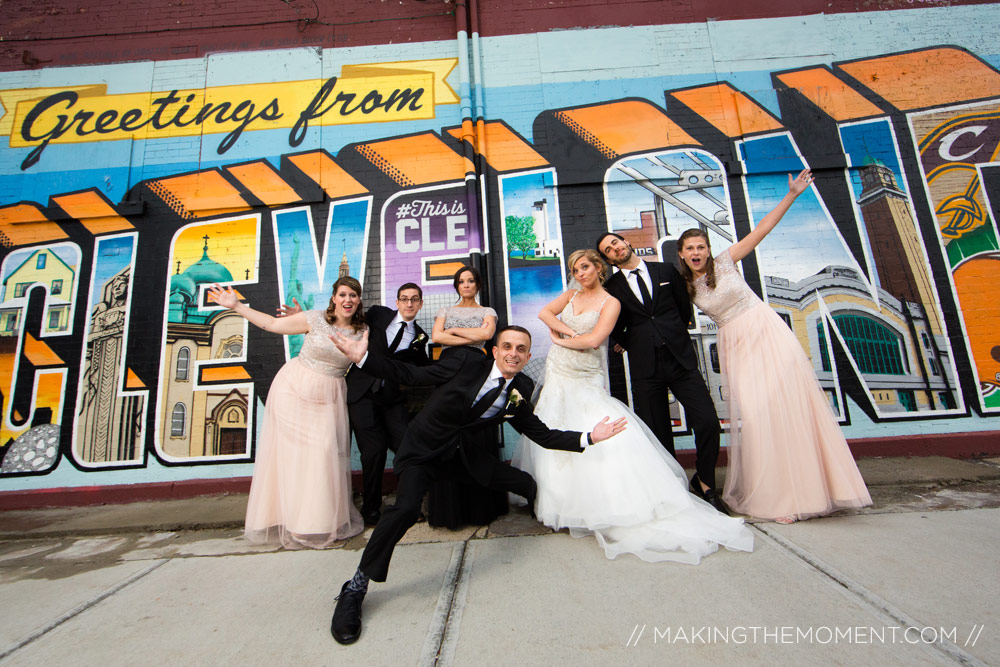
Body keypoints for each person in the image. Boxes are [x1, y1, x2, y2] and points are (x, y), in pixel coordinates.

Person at [327, 325, 627, 645]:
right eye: (507, 346)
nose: (513, 353)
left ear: (526, 357)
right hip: (424, 453)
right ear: (495, 351)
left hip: (464, 458)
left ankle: (536, 500)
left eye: (521, 349)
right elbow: (412, 374)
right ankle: (355, 588)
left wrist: (589, 437)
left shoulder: (518, 391)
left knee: (522, 481)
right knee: (405, 509)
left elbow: (542, 434)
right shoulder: (467, 363)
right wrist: (366, 359)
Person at [514, 249, 754, 563]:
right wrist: (570, 331)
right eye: (575, 268)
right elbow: (545, 313)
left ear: (598, 268)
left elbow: (595, 340)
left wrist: (562, 338)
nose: (580, 273)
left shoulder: (610, 301)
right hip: (557, 371)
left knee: (593, 423)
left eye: (585, 267)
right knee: (554, 423)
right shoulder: (570, 294)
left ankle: (608, 502)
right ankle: (559, 500)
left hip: (584, 370)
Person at [676, 169, 872, 523]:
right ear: (681, 253)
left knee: (786, 407)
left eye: (701, 246)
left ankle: (807, 494)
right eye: (690, 248)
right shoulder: (685, 287)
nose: (697, 252)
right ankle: (777, 492)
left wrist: (793, 194)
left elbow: (761, 230)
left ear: (708, 249)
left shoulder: (725, 262)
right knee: (756, 413)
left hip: (765, 331)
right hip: (735, 345)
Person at [207, 276, 365, 548]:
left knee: (324, 454)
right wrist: (236, 306)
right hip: (292, 390)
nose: (347, 300)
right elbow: (272, 324)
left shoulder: (362, 331)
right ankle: (292, 521)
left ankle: (316, 523)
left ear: (359, 300)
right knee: (295, 457)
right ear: (334, 298)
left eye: (353, 295)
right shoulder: (314, 319)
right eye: (342, 295)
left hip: (329, 397)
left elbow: (365, 359)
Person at [597, 232, 726, 513]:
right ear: (608, 259)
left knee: (707, 422)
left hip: (680, 360)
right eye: (608, 249)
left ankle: (704, 482)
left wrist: (670, 333)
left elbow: (683, 309)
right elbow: (616, 326)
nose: (615, 248)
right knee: (658, 432)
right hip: (645, 367)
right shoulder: (611, 288)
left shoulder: (665, 270)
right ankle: (673, 488)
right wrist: (632, 342)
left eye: (616, 242)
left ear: (626, 244)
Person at [281, 284, 431, 526]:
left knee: (407, 446)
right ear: (397, 302)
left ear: (420, 304)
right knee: (373, 452)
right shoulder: (378, 315)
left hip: (391, 399)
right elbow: (344, 316)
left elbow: (421, 370)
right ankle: (371, 508)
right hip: (361, 394)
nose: (409, 304)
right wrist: (304, 316)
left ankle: (407, 506)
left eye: (414, 300)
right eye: (404, 299)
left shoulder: (420, 336)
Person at [427, 265, 506, 528]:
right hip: (449, 371)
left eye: (471, 281)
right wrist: (462, 336)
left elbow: (486, 335)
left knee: (475, 428)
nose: (467, 285)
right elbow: (436, 337)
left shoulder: (488, 312)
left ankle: (479, 508)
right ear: (457, 286)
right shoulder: (445, 311)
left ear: (478, 285)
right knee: (449, 430)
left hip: (476, 369)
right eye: (462, 281)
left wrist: (454, 332)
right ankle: (451, 510)